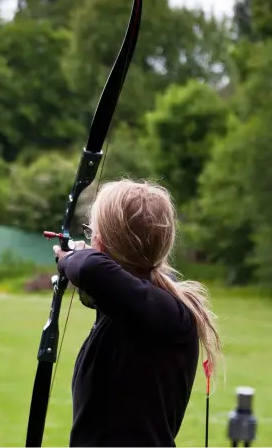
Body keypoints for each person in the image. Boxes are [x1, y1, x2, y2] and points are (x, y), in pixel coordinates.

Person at [53, 179, 223, 447]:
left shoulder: (168, 313)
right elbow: (100, 284)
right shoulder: (139, 307)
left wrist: (67, 259)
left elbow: (89, 270)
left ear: (101, 242)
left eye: (91, 232)